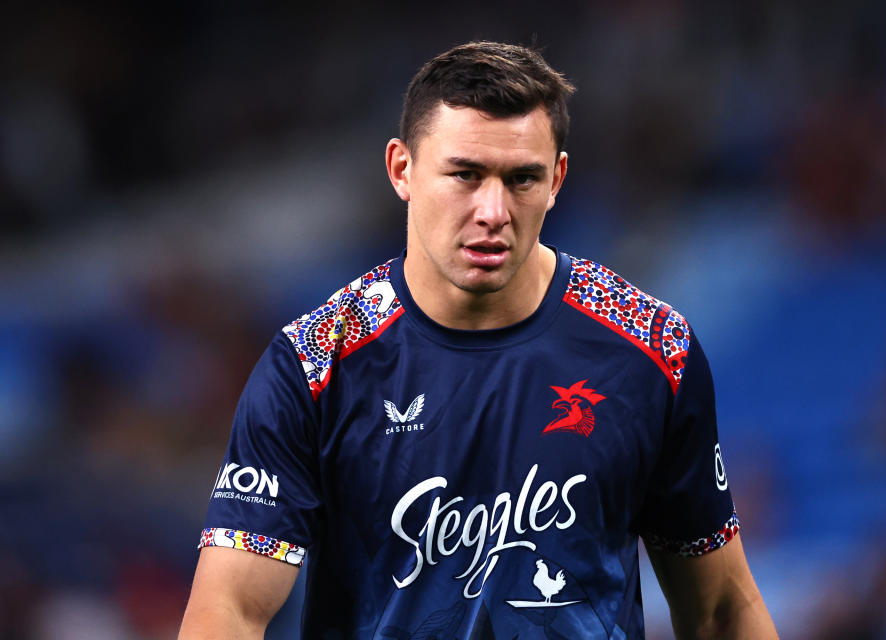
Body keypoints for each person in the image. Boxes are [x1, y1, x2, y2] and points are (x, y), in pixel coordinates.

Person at [179, 41, 777, 639]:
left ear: (557, 180)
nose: (493, 210)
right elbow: (229, 609)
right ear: (401, 170)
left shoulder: (651, 348)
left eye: (521, 179)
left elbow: (723, 609)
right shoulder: (315, 363)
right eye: (465, 174)